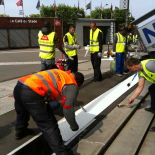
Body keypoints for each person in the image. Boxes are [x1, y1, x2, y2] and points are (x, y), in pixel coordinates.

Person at [14, 69, 84, 155]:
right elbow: (68, 109)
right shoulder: (72, 84)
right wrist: (74, 126)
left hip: (20, 86)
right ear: (78, 82)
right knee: (49, 125)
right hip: (33, 92)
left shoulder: (62, 73)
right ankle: (62, 152)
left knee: (22, 111)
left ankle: (20, 130)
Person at [125, 58, 155, 131]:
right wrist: (132, 98)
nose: (130, 71)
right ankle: (153, 108)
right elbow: (140, 87)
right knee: (152, 89)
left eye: (130, 68)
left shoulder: (149, 65)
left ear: (134, 65)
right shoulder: (140, 71)